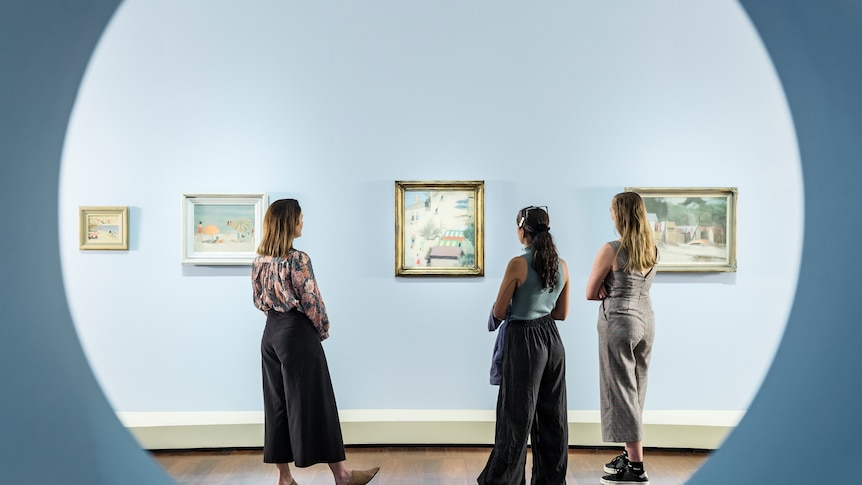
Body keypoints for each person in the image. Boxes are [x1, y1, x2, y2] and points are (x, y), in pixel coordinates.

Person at [251, 199, 379, 485]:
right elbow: (312, 301)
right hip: (296, 333)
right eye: (300, 218)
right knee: (317, 401)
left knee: (277, 404)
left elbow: (258, 300)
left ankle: (284, 477)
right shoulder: (298, 258)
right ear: (289, 222)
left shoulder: (259, 260)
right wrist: (321, 329)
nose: (302, 222)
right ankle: (343, 475)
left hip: (270, 333)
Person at [478, 205, 570, 485]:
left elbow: (499, 311)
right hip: (552, 341)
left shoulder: (518, 264)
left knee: (515, 417)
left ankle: (502, 481)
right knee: (552, 418)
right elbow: (561, 314)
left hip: (524, 341)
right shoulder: (562, 264)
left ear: (522, 230)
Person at [586, 192, 658, 485]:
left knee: (620, 389)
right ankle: (629, 455)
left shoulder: (611, 249)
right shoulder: (653, 248)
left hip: (618, 321)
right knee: (636, 387)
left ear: (621, 215)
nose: (611, 216)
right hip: (646, 319)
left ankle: (636, 467)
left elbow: (590, 292)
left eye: (612, 211)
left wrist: (605, 284)